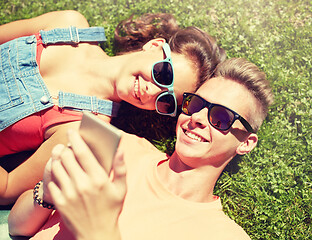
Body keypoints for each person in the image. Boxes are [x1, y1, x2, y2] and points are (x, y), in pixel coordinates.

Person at [8, 57, 274, 240]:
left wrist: (99, 230)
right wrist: (46, 192)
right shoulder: (120, 146)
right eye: (195, 105)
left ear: (246, 143)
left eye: (221, 118)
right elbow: (17, 226)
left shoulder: (223, 235)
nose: (198, 119)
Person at [0, 10, 226, 204]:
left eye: (166, 100)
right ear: (155, 46)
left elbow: (7, 189)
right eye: (163, 74)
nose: (153, 91)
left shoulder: (84, 129)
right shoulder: (68, 25)